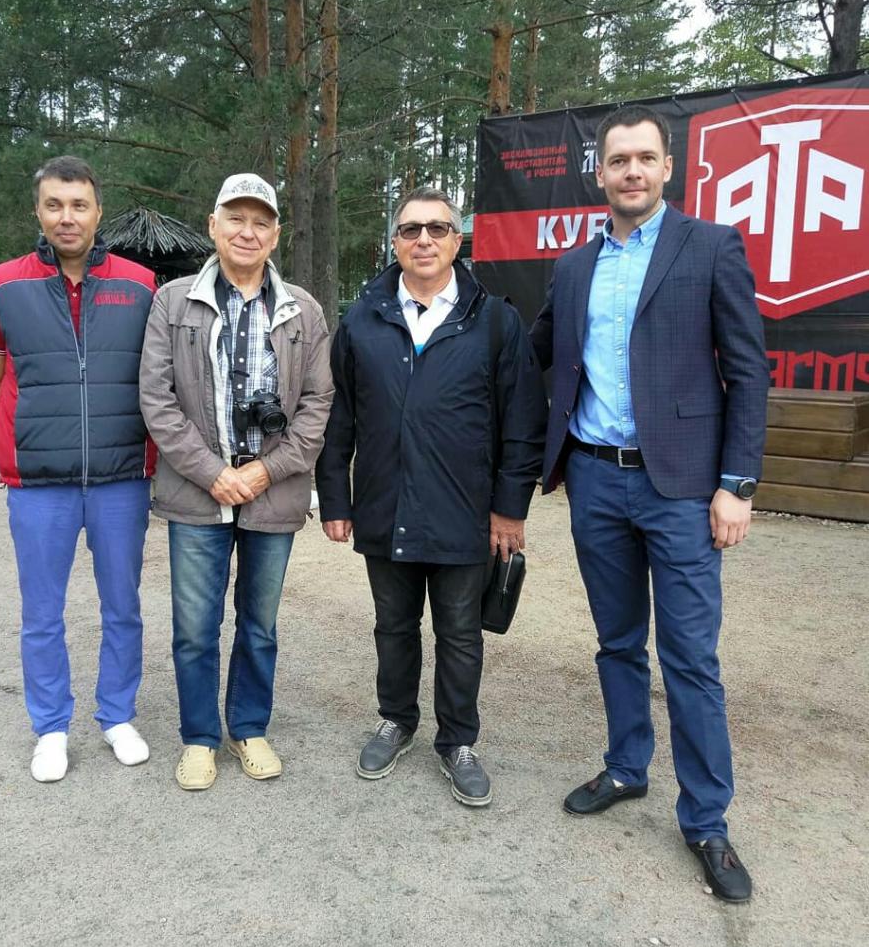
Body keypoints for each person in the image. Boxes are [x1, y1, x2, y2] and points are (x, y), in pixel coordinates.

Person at [530, 105, 770, 901]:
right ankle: (627, 767)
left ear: (668, 167)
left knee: (691, 658)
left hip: (685, 489)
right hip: (595, 480)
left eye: (644, 158)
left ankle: (706, 820)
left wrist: (736, 484)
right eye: (617, 160)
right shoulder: (573, 268)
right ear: (599, 173)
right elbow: (534, 353)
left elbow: (748, 371)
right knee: (617, 641)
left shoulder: (711, 247)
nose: (631, 170)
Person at [316, 186, 547, 807]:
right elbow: (339, 417)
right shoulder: (362, 320)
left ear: (456, 240)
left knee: (461, 633)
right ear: (394, 241)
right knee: (393, 625)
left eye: (437, 229)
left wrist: (510, 508)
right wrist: (334, 497)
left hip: (464, 510)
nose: (423, 239)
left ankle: (458, 741)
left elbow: (523, 421)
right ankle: (396, 720)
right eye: (411, 229)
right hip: (384, 504)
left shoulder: (494, 321)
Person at [139, 173, 332, 791]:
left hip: (273, 493)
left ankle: (248, 727)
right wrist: (213, 472)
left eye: (261, 222)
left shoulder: (303, 309)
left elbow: (318, 405)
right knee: (195, 629)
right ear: (214, 225)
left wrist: (265, 470)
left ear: (276, 235)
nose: (248, 232)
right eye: (236, 218)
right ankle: (199, 738)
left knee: (260, 625)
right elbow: (157, 400)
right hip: (198, 494)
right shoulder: (173, 302)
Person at [0, 155, 157, 783]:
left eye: (79, 205)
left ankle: (117, 716)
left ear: (98, 211)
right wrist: (35, 431)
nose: (67, 217)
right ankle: (50, 728)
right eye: (54, 205)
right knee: (41, 615)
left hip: (120, 478)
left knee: (123, 606)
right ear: (39, 211)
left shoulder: (139, 284)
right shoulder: (3, 286)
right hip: (39, 485)